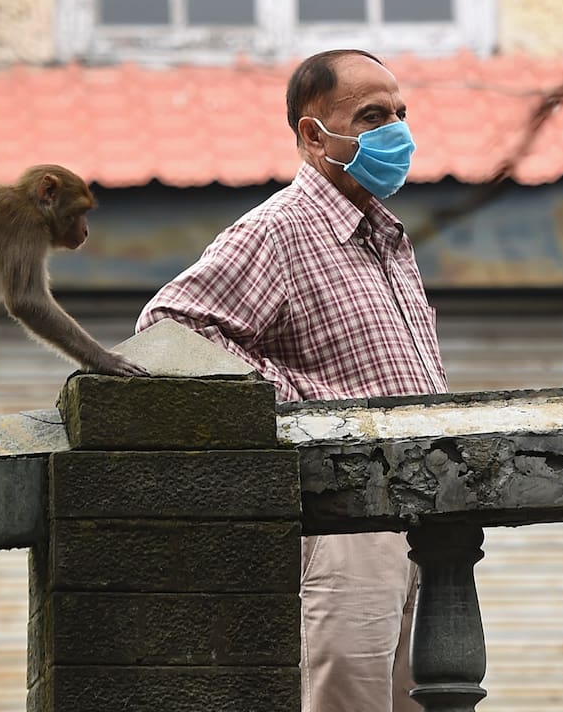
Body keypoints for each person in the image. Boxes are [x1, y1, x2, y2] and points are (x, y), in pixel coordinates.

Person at [137, 49, 446, 712]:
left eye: (399, 113)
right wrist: (304, 405)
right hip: (345, 522)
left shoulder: (383, 234)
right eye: (371, 116)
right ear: (313, 135)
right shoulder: (279, 230)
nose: (396, 131)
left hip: (420, 517)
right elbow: (166, 329)